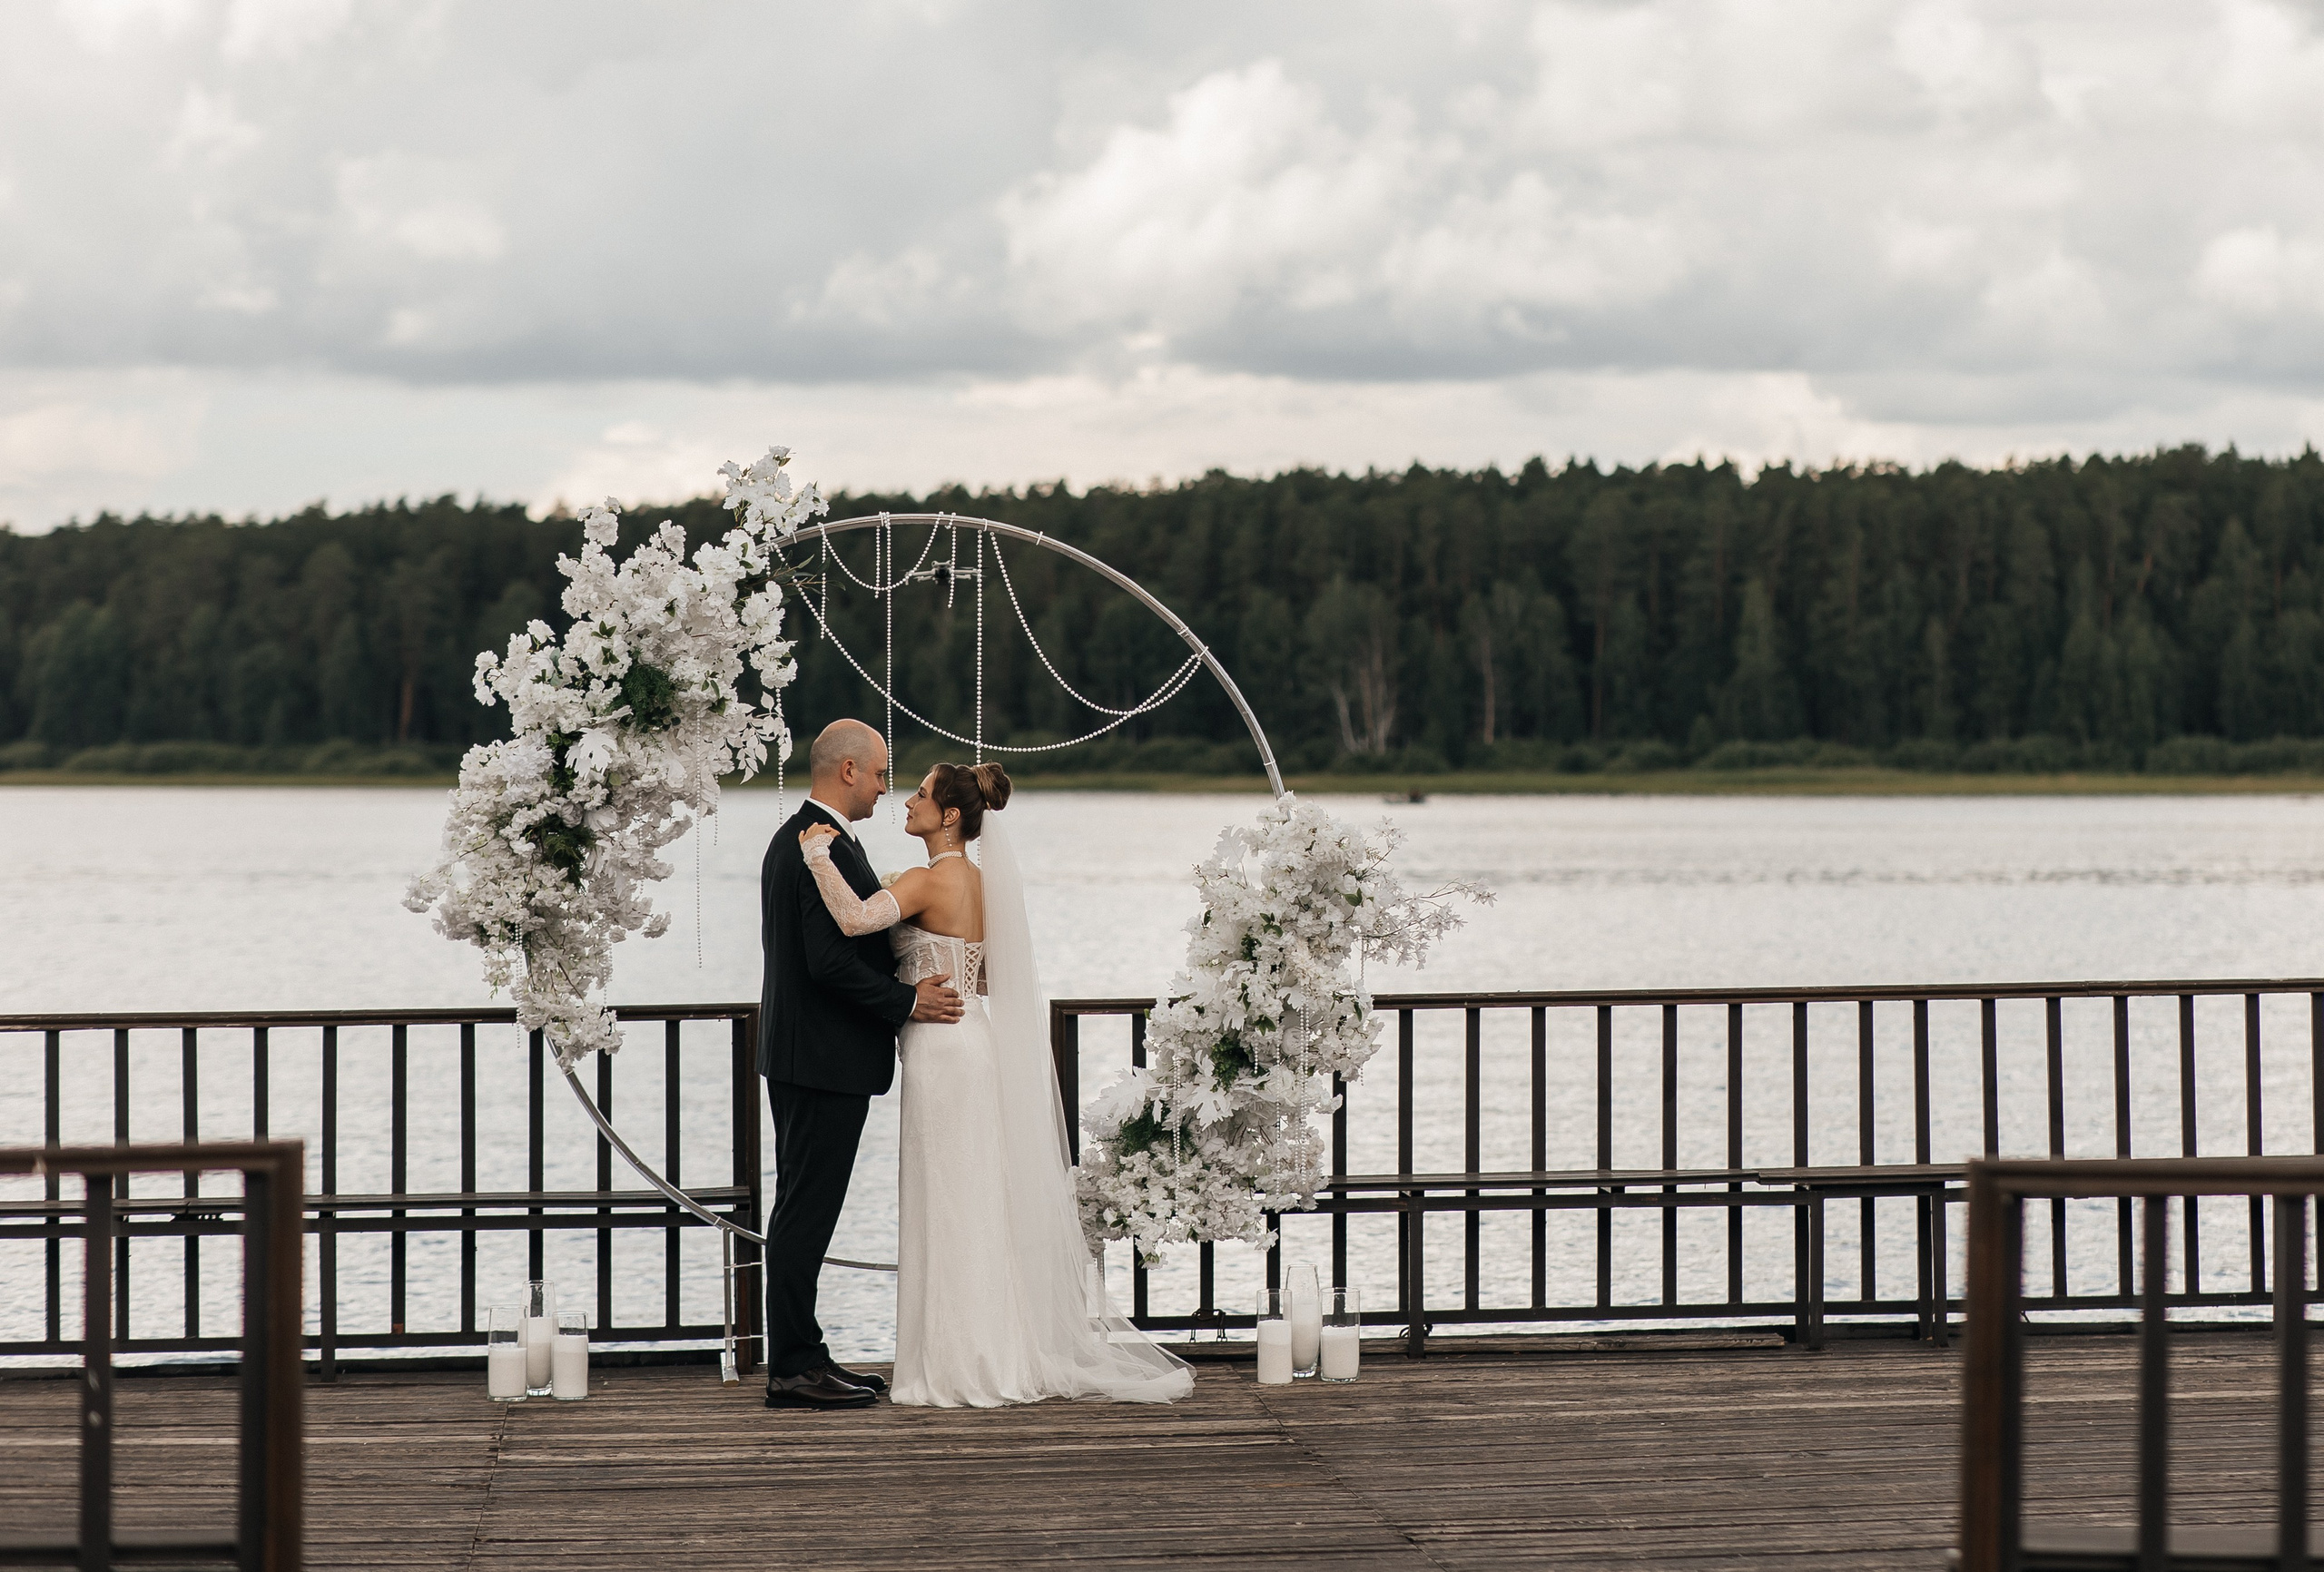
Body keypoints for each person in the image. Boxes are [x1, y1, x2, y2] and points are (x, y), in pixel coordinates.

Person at [798, 759, 1193, 1407]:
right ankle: (988, 1353)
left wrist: (817, 856)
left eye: (921, 795)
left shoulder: (930, 880)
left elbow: (852, 920)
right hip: (970, 1036)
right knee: (973, 1200)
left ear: (949, 816)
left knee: (948, 1201)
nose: (907, 802)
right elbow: (984, 979)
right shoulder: (979, 883)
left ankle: (957, 1365)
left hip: (942, 1050)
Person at [757, 719, 963, 1410]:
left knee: (804, 1208)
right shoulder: (817, 845)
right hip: (819, 1059)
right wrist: (907, 1001)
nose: (885, 786)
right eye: (878, 773)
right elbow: (829, 962)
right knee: (805, 1214)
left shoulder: (818, 841)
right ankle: (791, 1366)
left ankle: (806, 1353)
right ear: (848, 771)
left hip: (814, 1057)